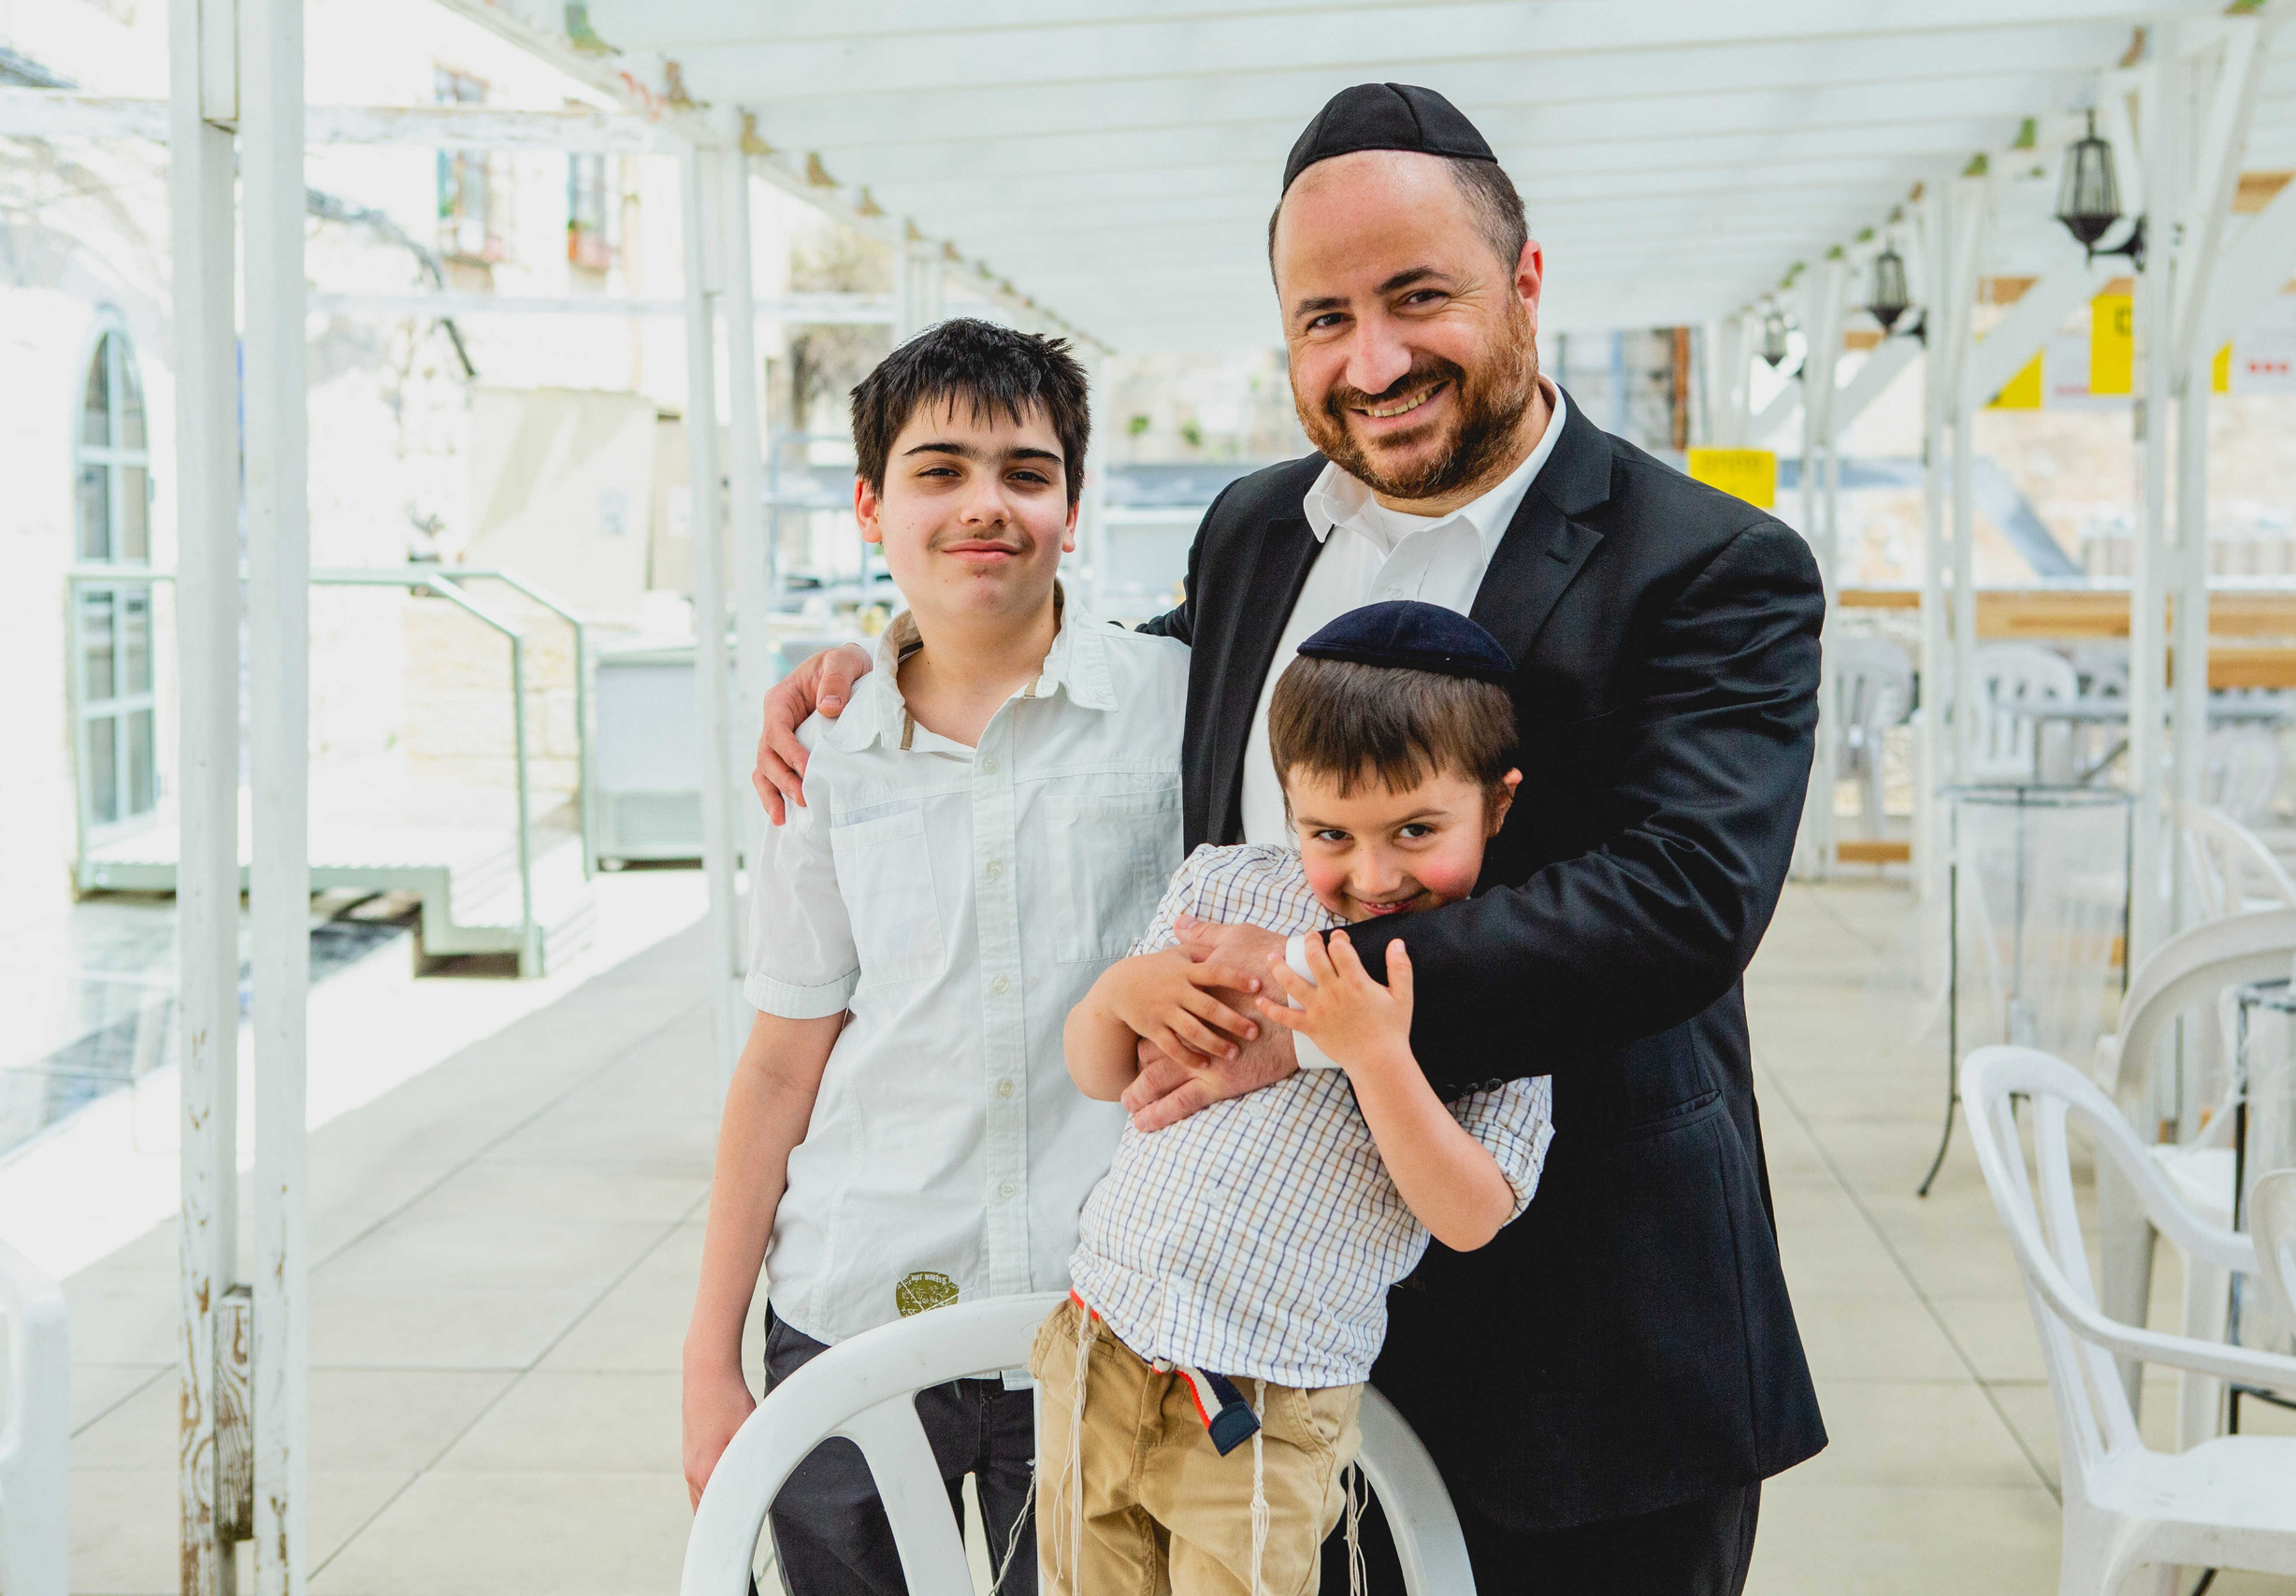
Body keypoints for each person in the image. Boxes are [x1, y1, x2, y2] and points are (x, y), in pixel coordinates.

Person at [753, 84, 1827, 1596]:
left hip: (1583, 1345)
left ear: (1525, 282)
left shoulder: (1712, 564)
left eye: (1416, 299)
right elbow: (1127, 678)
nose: (1371, 360)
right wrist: (886, 666)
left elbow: (1682, 901)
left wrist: (1314, 990)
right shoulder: (1255, 527)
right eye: (1323, 318)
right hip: (1245, 1341)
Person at [681, 319, 1192, 1596]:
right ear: (871, 504)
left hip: (1106, 1319)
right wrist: (707, 1353)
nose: (987, 505)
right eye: (940, 469)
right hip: (856, 1302)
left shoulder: (1180, 704)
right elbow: (783, 1062)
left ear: (1074, 508)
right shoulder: (831, 750)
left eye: (1027, 472)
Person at [1035, 601, 1552, 1596]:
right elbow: (1104, 1074)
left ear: (1496, 802)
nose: (1372, 875)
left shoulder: (1497, 977)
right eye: (1328, 832)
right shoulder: (1225, 886)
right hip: (1101, 1338)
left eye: (1416, 829)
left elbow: (1472, 1214)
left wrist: (1369, 1053)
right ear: (1284, 809)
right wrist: (1115, 995)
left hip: (1263, 1398)